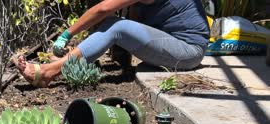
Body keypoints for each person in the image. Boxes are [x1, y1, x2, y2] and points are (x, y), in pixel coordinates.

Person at [13, 0, 210, 87]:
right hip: (174, 44)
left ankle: (50, 72)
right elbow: (137, 24)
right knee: (116, 25)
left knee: (116, 26)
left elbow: (103, 8)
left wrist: (66, 34)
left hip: (188, 51)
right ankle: (62, 63)